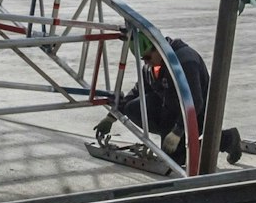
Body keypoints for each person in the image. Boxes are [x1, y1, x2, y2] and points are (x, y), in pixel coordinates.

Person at [94, 37, 242, 166]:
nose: (146, 62)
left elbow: (195, 101)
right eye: (143, 59)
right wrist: (112, 117)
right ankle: (174, 145)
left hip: (198, 114)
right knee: (132, 107)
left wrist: (177, 132)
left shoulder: (184, 61)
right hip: (171, 110)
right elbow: (136, 92)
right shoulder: (151, 67)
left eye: (148, 57)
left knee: (173, 160)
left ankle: (226, 139)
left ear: (158, 48)